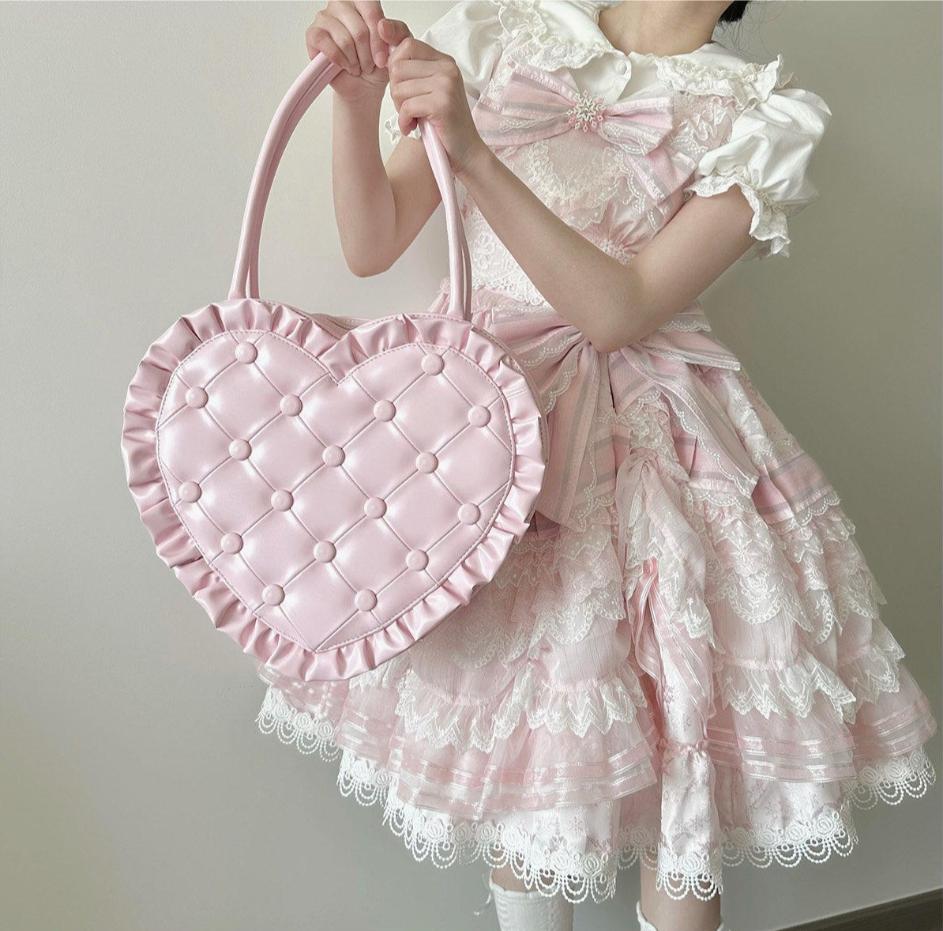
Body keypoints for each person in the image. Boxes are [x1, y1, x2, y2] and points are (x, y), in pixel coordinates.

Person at [257, 2, 939, 929]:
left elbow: (620, 311)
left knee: (683, 767)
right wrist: (357, 101)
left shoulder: (765, 116)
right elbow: (371, 245)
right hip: (487, 435)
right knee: (533, 771)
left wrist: (478, 153)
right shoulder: (499, 35)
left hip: (665, 451)